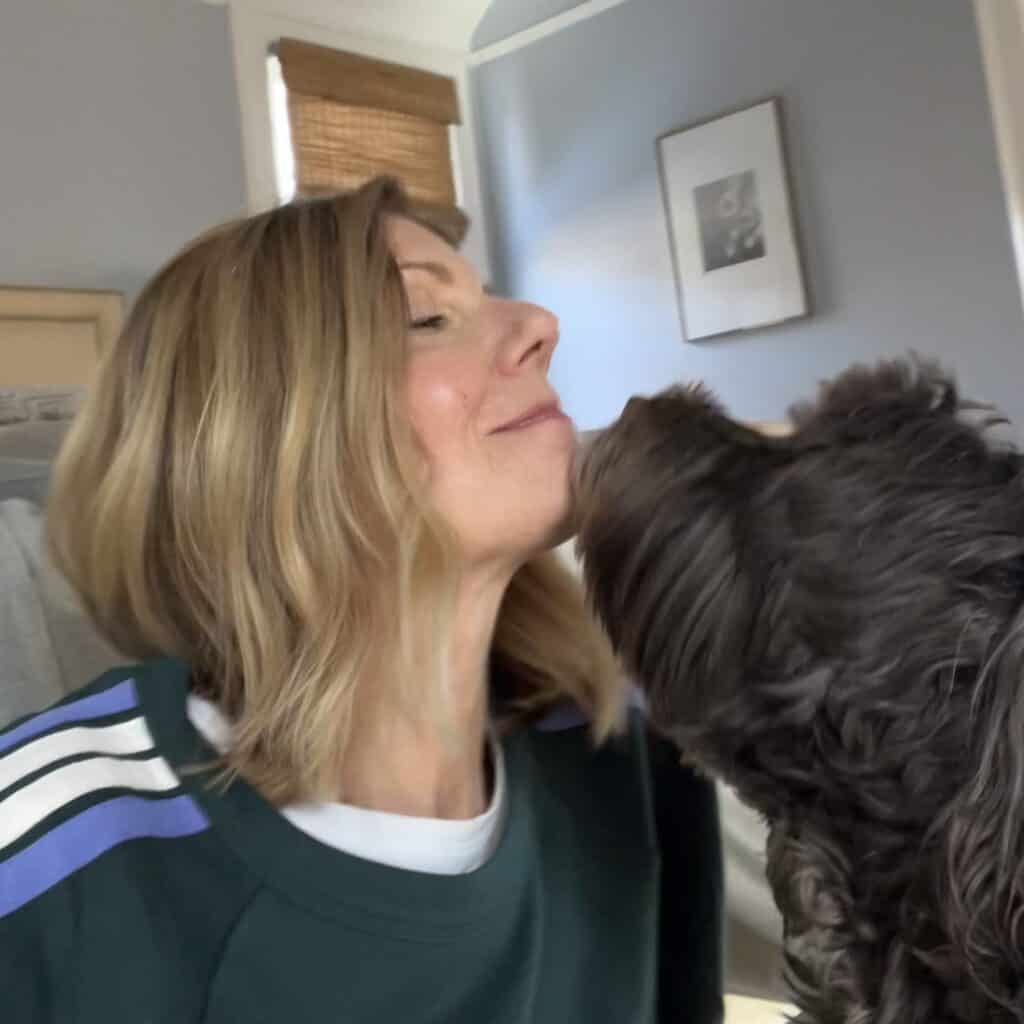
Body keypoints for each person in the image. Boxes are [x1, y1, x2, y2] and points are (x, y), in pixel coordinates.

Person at [0, 178, 723, 1022]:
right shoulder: (43, 869)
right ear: (265, 438)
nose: (539, 326)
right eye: (426, 319)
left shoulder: (629, 745)